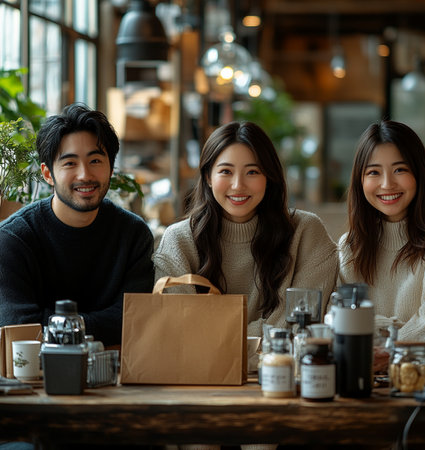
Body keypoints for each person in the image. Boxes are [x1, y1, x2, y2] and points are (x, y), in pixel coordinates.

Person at [154, 121, 338, 339]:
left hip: (284, 369)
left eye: (252, 172)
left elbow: (301, 327)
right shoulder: (179, 240)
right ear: (208, 177)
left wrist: (220, 340)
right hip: (201, 373)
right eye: (226, 171)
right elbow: (180, 329)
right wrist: (261, 337)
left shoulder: (306, 232)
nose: (238, 185)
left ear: (269, 178)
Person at [0, 103, 154, 346]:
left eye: (95, 160)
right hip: (36, 380)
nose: (84, 175)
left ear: (111, 168)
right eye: (70, 163)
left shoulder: (133, 234)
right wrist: (99, 325)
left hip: (120, 377)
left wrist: (54, 325)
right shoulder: (13, 239)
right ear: (48, 173)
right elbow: (19, 327)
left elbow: (135, 319)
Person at [339, 119, 425, 367]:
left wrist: (376, 334)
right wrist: (398, 328)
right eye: (374, 172)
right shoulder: (349, 247)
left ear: (419, 172)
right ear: (360, 180)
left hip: (423, 387)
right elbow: (340, 323)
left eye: (400, 169)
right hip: (361, 384)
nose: (387, 184)